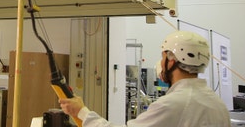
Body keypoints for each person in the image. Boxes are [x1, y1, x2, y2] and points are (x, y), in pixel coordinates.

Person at [60, 30, 230, 127]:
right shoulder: (217, 104)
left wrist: (81, 111)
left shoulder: (174, 103)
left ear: (171, 60)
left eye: (163, 57)